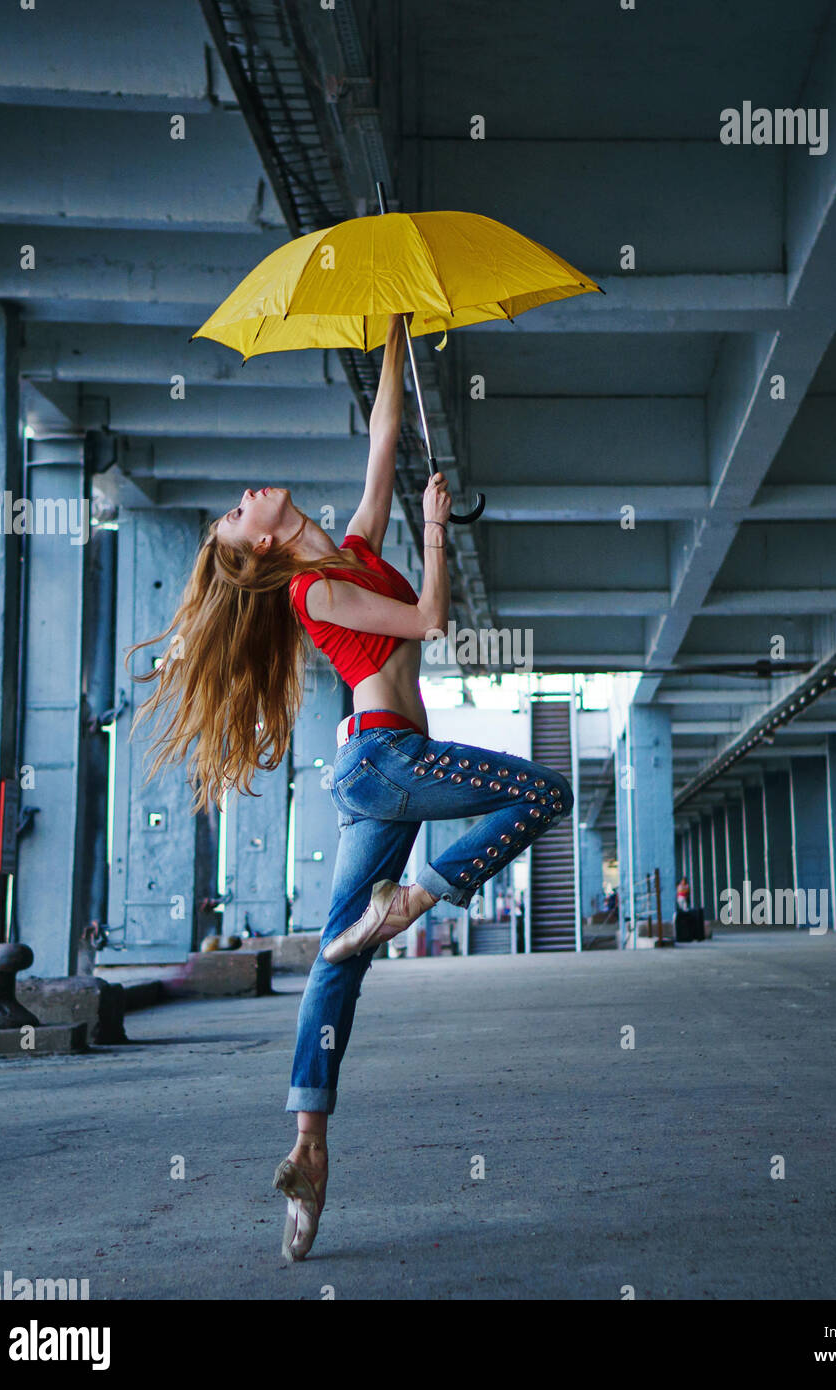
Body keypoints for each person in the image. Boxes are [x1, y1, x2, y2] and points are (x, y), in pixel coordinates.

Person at [125, 313, 573, 1261]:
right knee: (543, 798)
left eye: (239, 501)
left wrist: (396, 338)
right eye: (237, 512)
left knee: (336, 960)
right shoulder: (313, 589)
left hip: (375, 769)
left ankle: (308, 1152)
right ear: (257, 550)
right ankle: (411, 902)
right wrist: (441, 532)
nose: (247, 496)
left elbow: (381, 440)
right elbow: (428, 618)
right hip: (390, 760)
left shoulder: (347, 549)